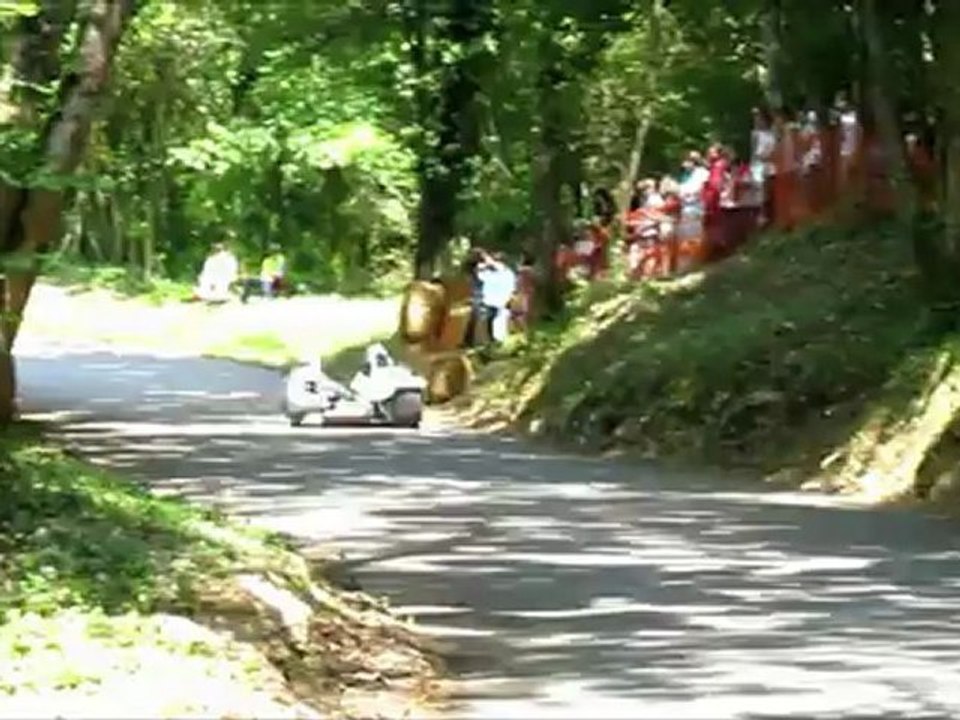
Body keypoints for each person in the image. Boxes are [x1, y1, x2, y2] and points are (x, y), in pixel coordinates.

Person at [478, 251, 517, 344]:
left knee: (499, 325)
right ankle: (493, 342)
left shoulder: (507, 273)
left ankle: (497, 342)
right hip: (492, 303)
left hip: (500, 303)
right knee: (491, 324)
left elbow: (512, 288)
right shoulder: (490, 273)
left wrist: (487, 264)